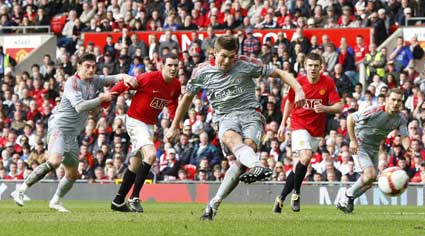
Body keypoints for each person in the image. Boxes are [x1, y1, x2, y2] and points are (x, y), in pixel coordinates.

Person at [166, 35, 305, 220]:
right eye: (224, 56)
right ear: (214, 53)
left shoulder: (246, 63)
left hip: (251, 114)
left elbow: (280, 72)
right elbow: (187, 98)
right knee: (233, 141)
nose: (228, 61)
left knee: (241, 161)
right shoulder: (202, 72)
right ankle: (256, 165)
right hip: (225, 117)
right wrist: (175, 125)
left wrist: (300, 90)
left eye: (232, 56)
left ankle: (214, 204)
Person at [10, 54, 137, 212]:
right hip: (59, 128)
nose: (91, 69)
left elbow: (115, 77)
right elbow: (79, 106)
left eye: (93, 66)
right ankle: (20, 190)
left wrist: (126, 77)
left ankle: (55, 201)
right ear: (79, 67)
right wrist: (101, 98)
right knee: (55, 161)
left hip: (73, 134)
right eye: (87, 66)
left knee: (72, 173)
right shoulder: (73, 83)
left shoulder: (95, 80)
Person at [110, 53, 181, 213]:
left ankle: (118, 200)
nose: (173, 68)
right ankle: (135, 198)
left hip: (149, 125)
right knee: (151, 155)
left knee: (135, 164)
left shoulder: (175, 85)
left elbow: (173, 102)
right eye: (170, 65)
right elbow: (124, 85)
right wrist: (109, 98)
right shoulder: (149, 78)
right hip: (135, 120)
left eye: (176, 65)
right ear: (163, 65)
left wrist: (174, 123)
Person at [273, 53, 343, 213]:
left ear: (321, 67)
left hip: (317, 130)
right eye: (310, 65)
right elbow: (289, 102)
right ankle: (296, 193)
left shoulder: (328, 83)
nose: (313, 68)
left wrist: (326, 108)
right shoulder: (298, 83)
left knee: (299, 166)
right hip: (299, 124)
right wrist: (283, 123)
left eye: (316, 65)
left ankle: (282, 197)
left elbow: (339, 106)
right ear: (305, 66)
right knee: (305, 156)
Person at [336, 88, 411, 213]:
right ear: (387, 99)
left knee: (370, 181)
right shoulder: (374, 110)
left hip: (375, 148)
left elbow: (404, 136)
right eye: (393, 99)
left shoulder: (401, 118)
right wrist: (353, 141)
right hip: (360, 145)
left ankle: (347, 200)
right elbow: (350, 118)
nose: (396, 103)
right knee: (370, 175)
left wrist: (409, 150)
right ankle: (347, 195)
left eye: (399, 100)